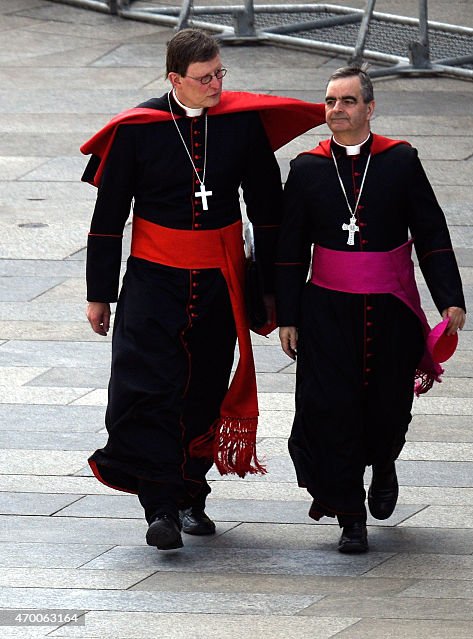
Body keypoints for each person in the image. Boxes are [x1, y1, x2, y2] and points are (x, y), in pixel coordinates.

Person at [81, 28, 324, 551]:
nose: (216, 84)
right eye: (205, 77)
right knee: (148, 391)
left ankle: (192, 494)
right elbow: (107, 219)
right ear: (175, 80)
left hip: (219, 283)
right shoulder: (138, 130)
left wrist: (276, 293)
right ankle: (160, 508)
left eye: (220, 73)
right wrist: (100, 292)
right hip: (152, 282)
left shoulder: (240, 126)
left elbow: (268, 213)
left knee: (203, 390)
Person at [276, 67, 466, 553]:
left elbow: (430, 231)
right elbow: (291, 250)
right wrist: (289, 316)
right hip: (327, 312)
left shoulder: (400, 161)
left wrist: (450, 298)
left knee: (388, 407)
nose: (335, 110)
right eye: (330, 100)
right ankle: (351, 516)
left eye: (347, 101)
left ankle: (384, 464)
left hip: (390, 311)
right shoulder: (306, 169)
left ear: (369, 108)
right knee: (330, 410)